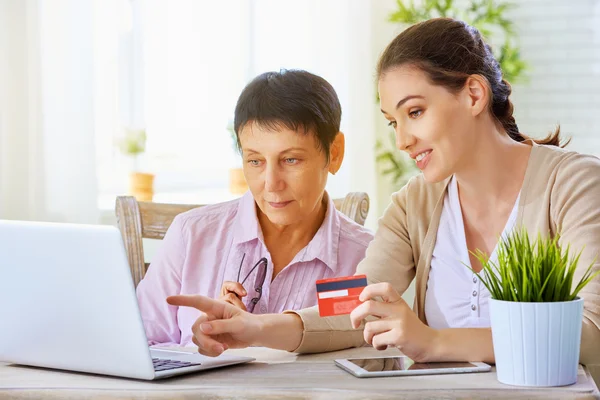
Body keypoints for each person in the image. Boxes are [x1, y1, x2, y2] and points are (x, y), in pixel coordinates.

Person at [166, 18, 600, 366]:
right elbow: (352, 304)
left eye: (415, 111)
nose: (403, 140)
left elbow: (591, 334)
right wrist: (256, 329)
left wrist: (432, 342)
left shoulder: (574, 185)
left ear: (473, 94)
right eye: (394, 121)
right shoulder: (415, 203)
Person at [136, 69, 373, 346]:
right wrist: (206, 344)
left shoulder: (364, 259)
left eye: (291, 160)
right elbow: (141, 348)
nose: (271, 184)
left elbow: (360, 354)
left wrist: (256, 331)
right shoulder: (190, 235)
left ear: (334, 153)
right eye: (255, 161)